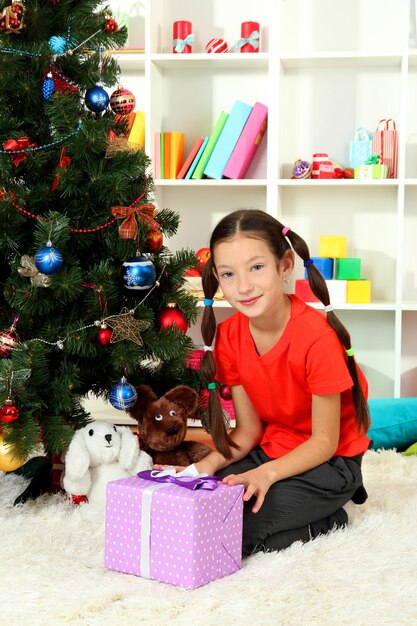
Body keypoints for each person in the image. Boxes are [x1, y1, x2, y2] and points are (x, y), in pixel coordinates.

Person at [194, 208, 371, 556]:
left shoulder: (317, 339)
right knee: (204, 508)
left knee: (237, 529)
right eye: (228, 274)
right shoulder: (228, 336)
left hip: (331, 461)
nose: (243, 287)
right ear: (216, 277)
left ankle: (334, 515)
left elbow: (324, 440)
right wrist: (205, 466)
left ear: (285, 264)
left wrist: (266, 475)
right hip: (275, 448)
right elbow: (248, 432)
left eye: (256, 267)